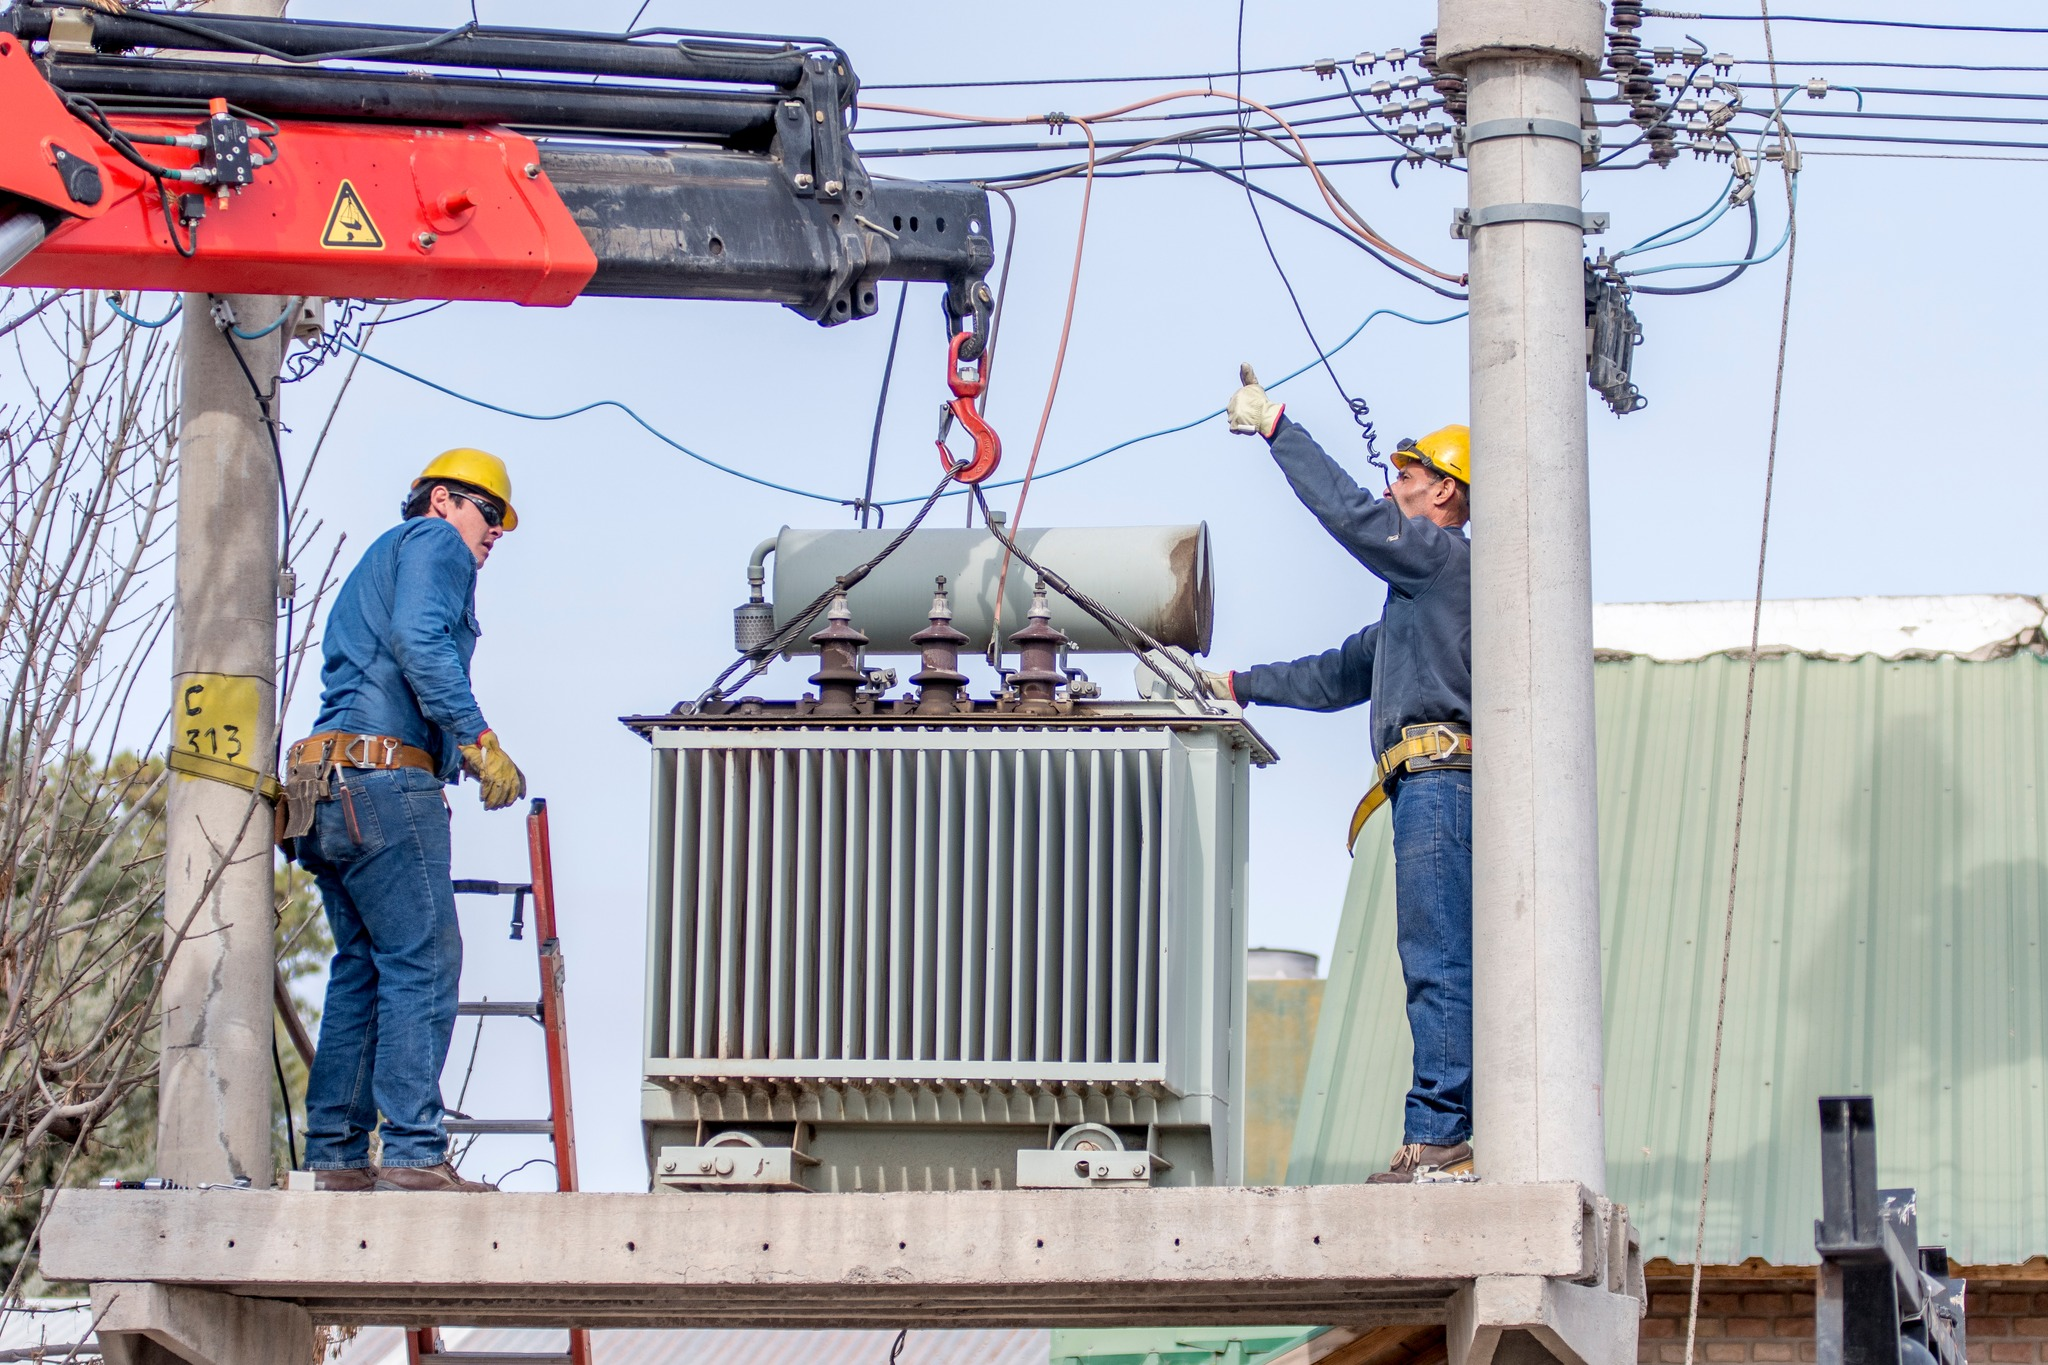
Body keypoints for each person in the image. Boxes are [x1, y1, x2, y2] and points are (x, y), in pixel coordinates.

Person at [1212, 365, 1477, 1184]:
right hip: (1425, 783)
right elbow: (1334, 673)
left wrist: (1280, 427)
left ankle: (1438, 1139)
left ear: (1447, 495)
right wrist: (1237, 685)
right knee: (1437, 957)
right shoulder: (1415, 604)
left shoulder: (1441, 562)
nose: (1393, 487)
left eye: (1408, 474)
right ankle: (1445, 1132)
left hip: (1440, 780)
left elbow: (1351, 517)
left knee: (1438, 959)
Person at [282, 448, 528, 1193]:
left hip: (329, 786)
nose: (493, 535)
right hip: (381, 780)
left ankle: (336, 1153)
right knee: (424, 959)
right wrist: (479, 741)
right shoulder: (433, 543)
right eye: (489, 514)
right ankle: (417, 1152)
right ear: (443, 500)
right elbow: (421, 644)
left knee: (364, 966)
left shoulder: (381, 560)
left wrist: (440, 759)